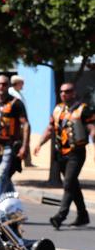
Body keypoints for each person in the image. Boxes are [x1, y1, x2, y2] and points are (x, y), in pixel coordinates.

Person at [33, 82, 94, 229]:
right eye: (62, 92)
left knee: (68, 183)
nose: (64, 94)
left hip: (76, 153)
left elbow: (93, 128)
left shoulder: (83, 109)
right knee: (73, 184)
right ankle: (83, 215)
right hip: (60, 154)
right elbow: (50, 129)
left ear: (73, 92)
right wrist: (39, 143)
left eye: (67, 91)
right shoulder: (57, 110)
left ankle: (60, 216)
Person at [9, 75, 35, 167]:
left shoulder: (18, 93)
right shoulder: (12, 93)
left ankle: (28, 161)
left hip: (23, 120)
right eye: (22, 83)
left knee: (26, 139)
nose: (23, 85)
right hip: (18, 122)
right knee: (20, 141)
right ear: (17, 83)